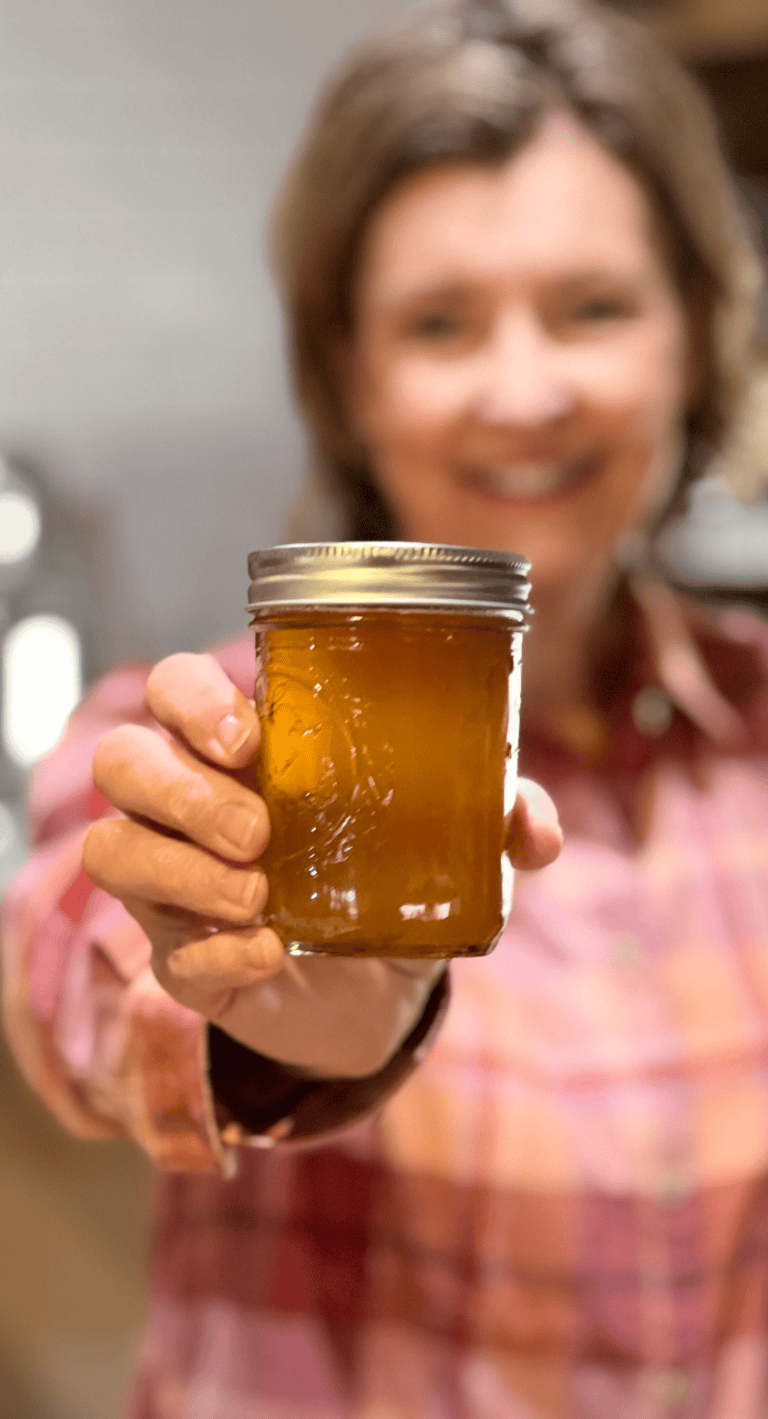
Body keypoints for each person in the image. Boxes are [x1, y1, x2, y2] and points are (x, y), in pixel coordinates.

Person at [2, 0, 768, 1414]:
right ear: (351, 380)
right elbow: (71, 961)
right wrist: (273, 1013)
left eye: (594, 307)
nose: (523, 389)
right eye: (440, 322)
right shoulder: (209, 729)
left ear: (696, 335)